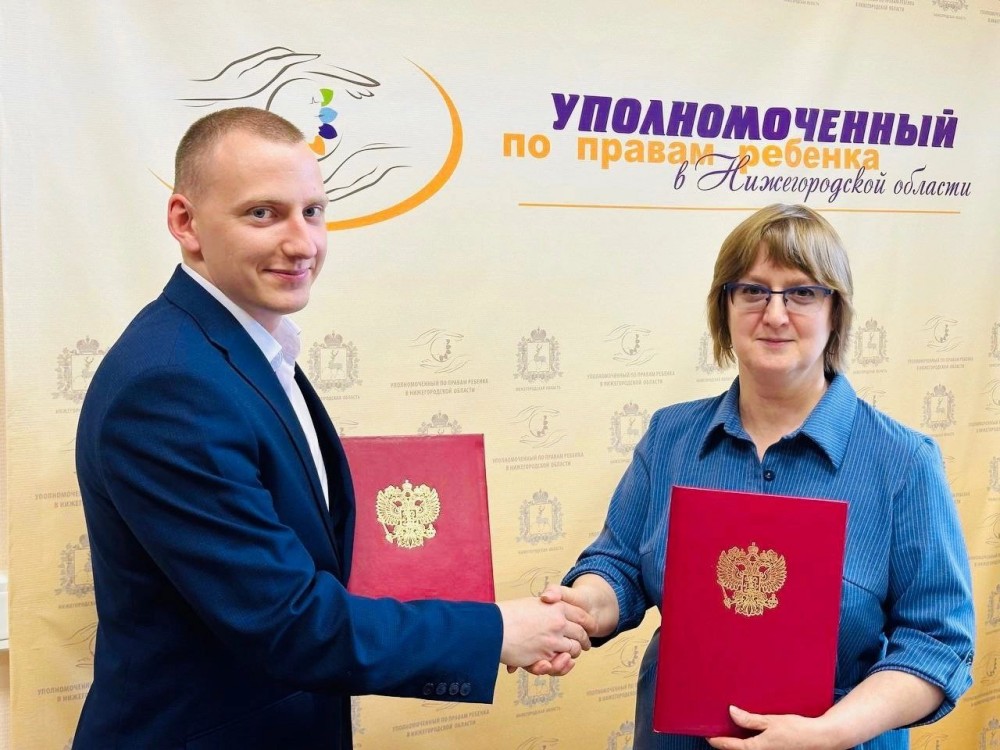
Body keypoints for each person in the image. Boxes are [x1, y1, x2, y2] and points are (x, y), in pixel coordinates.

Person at [73, 107, 594, 749]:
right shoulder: (170, 385)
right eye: (263, 214)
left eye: (313, 212)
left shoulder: (242, 352)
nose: (303, 244)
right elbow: (287, 623)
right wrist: (496, 631)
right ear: (186, 222)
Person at [537, 204, 975, 749]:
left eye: (802, 292)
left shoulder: (904, 462)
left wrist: (831, 732)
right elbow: (619, 564)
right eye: (752, 290)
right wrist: (584, 606)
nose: (775, 314)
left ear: (835, 312)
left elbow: (938, 642)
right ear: (724, 308)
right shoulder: (669, 436)